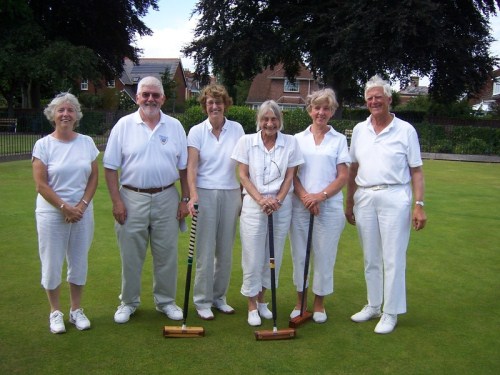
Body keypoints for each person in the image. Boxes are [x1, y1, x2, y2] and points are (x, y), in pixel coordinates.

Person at [345, 75, 427, 334]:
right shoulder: (360, 130)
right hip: (365, 197)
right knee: (371, 256)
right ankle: (373, 305)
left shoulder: (405, 130)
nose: (373, 101)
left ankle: (390, 312)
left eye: (378, 97)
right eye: (369, 98)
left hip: (395, 197)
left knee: (393, 257)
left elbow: (417, 171)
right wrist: (349, 202)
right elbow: (353, 168)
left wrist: (419, 204)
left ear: (389, 99)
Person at [103, 76, 189, 324]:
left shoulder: (175, 127)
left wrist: (184, 199)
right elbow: (110, 168)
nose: (150, 99)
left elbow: (183, 168)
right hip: (131, 197)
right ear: (137, 97)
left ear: (163, 98)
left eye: (155, 95)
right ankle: (128, 302)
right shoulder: (123, 125)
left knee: (166, 254)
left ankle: (166, 302)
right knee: (131, 255)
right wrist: (117, 202)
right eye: (145, 94)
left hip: (166, 197)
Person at [231, 100, 304, 326]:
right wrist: (261, 199)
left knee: (273, 256)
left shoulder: (290, 143)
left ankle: (263, 300)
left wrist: (278, 200)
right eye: (265, 119)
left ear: (279, 121)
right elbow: (243, 175)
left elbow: (290, 176)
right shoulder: (246, 141)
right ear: (259, 121)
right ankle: (251, 304)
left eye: (274, 119)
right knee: (252, 256)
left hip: (281, 207)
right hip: (254, 205)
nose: (269, 123)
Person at [32, 93, 99, 334]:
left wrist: (80, 205)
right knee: (51, 263)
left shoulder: (87, 142)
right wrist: (64, 207)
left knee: (79, 262)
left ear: (76, 115)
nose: (65, 114)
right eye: (61, 110)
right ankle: (55, 312)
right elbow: (41, 185)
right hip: (52, 214)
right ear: (53, 114)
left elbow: (93, 178)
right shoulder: (43, 145)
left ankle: (76, 310)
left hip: (82, 213)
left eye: (70, 110)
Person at [289, 88, 350, 324]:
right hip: (300, 206)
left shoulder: (339, 139)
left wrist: (320, 197)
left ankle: (319, 304)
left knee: (324, 256)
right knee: (300, 255)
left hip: (329, 208)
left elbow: (343, 176)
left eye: (326, 108)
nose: (321, 112)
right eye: (317, 108)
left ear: (332, 111)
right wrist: (306, 197)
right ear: (310, 110)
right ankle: (299, 302)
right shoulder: (297, 139)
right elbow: (292, 175)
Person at [186, 84, 245, 320]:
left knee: (225, 251)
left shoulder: (237, 129)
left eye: (218, 102)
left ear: (225, 104)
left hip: (231, 193)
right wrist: (193, 194)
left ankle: (219, 297)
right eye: (210, 102)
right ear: (205, 106)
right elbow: (192, 166)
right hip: (205, 193)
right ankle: (202, 300)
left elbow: (243, 164)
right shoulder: (196, 131)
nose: (214, 106)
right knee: (205, 250)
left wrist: (242, 194)